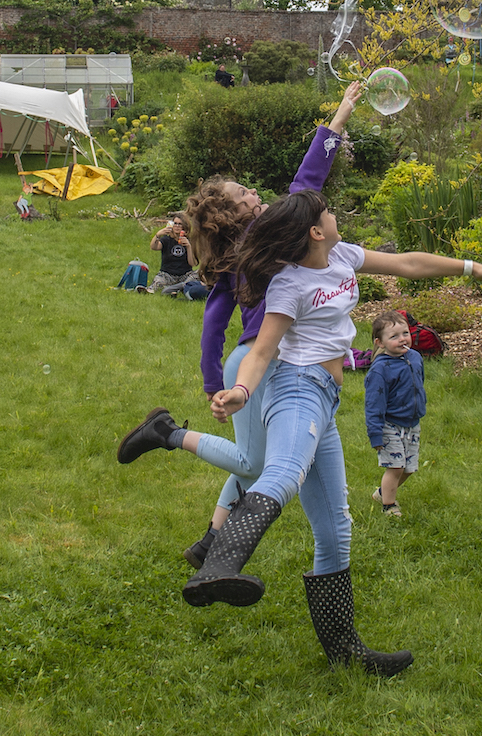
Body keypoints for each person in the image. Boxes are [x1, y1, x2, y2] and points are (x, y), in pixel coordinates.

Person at [117, 189, 482, 676]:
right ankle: (219, 564)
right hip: (298, 387)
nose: (335, 215)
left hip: (325, 399)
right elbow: (263, 350)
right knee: (280, 470)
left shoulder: (343, 255)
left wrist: (479, 270)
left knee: (336, 528)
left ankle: (346, 654)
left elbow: (408, 263)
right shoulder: (286, 284)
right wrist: (241, 390)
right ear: (314, 229)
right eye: (328, 212)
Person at [131, 80, 364, 569]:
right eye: (244, 194)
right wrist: (337, 121)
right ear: (234, 216)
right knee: (258, 463)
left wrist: (215, 379)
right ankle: (168, 434)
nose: (256, 192)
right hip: (267, 362)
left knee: (259, 455)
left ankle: (210, 540)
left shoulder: (240, 254)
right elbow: (306, 184)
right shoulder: (264, 234)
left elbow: (214, 321)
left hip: (256, 362)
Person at [364, 312, 427, 517]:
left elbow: (420, 382)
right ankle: (389, 505)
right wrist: (375, 433)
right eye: (394, 336)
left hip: (412, 423)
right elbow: (373, 405)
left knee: (409, 468)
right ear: (379, 342)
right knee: (396, 468)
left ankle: (382, 493)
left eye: (405, 333)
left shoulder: (415, 357)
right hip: (389, 425)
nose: (402, 339)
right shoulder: (380, 370)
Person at [148, 213, 201, 295]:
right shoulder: (166, 239)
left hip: (185, 275)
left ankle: (175, 288)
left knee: (199, 273)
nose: (177, 226)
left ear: (185, 226)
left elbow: (193, 263)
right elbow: (153, 247)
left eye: (180, 224)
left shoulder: (190, 241)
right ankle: (177, 289)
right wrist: (158, 234)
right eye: (175, 223)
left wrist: (189, 247)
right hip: (168, 274)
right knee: (158, 280)